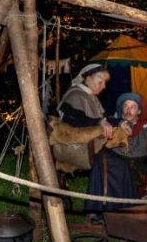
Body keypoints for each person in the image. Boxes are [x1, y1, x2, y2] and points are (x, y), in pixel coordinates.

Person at [57, 63, 138, 223]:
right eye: (100, 81)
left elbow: (103, 118)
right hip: (76, 148)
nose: (104, 86)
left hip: (90, 145)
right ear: (87, 79)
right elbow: (73, 120)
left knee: (122, 159)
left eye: (105, 82)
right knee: (112, 162)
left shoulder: (90, 97)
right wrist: (100, 122)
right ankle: (98, 211)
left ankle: (124, 209)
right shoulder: (76, 95)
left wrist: (120, 122)